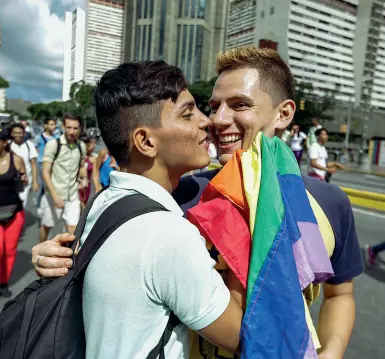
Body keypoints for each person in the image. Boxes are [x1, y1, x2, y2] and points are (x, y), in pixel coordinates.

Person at [32, 47, 363, 359]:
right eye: (214, 104)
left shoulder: (327, 203)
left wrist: (330, 353)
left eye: (239, 104)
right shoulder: (185, 192)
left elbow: (340, 294)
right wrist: (60, 258)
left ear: (284, 114)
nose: (217, 119)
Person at [44, 61, 244, 358]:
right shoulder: (167, 235)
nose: (207, 121)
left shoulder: (101, 202)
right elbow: (238, 335)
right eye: (188, 114)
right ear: (146, 142)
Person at [39, 113, 86, 243]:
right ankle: (41, 250)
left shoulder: (81, 146)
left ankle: (72, 261)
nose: (72, 131)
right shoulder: (54, 144)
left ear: (80, 128)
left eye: (75, 128)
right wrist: (55, 196)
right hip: (53, 195)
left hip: (72, 195)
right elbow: (45, 172)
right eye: (69, 127)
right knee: (47, 227)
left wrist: (84, 178)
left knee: (73, 230)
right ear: (63, 126)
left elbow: (81, 166)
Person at [0, 127, 27, 297]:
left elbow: (24, 182)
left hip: (13, 213)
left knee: (9, 251)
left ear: (4, 142)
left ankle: (3, 282)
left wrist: (22, 180)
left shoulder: (16, 159)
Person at [10, 123, 39, 208]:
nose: (17, 135)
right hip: (10, 181)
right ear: (11, 134)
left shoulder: (29, 145)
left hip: (25, 182)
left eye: (20, 133)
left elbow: (33, 164)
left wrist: (35, 181)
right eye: (15, 133)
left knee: (22, 205)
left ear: (24, 133)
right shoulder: (8, 145)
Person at [35, 118, 59, 210]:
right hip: (42, 164)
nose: (54, 126)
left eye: (54, 124)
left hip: (53, 164)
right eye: (51, 124)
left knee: (51, 184)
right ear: (45, 126)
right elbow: (35, 148)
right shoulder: (39, 137)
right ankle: (39, 206)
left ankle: (50, 204)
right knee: (43, 185)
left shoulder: (56, 137)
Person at [79, 134, 97, 208]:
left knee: (85, 206)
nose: (95, 146)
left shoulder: (94, 158)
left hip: (87, 187)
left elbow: (95, 175)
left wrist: (97, 189)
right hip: (78, 186)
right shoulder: (78, 156)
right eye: (93, 143)